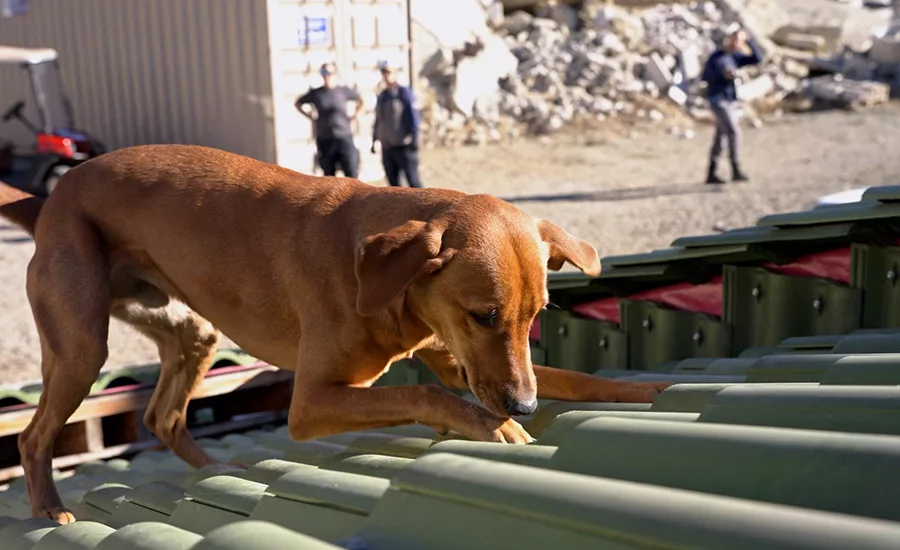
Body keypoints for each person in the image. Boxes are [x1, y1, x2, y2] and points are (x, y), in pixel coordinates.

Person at [701, 26, 763, 185]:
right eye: (734, 40)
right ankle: (735, 168)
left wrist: (748, 41)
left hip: (730, 100)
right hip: (718, 100)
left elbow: (757, 59)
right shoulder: (717, 57)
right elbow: (706, 76)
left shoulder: (734, 57)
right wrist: (723, 76)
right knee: (733, 131)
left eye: (739, 41)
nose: (736, 43)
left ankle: (711, 172)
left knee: (721, 136)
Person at [295, 62, 363, 178]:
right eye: (324, 72)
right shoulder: (317, 93)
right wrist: (310, 116)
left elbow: (361, 100)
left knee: (351, 173)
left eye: (330, 72)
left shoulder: (343, 91)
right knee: (329, 177)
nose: (327, 75)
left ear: (335, 74)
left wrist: (355, 115)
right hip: (325, 139)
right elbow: (298, 103)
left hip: (343, 137)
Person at [372, 60, 423, 188]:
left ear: (395, 73)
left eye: (389, 72)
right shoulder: (382, 96)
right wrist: (374, 139)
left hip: (404, 146)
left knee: (414, 183)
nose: (386, 75)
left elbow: (413, 115)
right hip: (387, 147)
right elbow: (379, 119)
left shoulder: (403, 93)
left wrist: (414, 137)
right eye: (384, 72)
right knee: (393, 187)